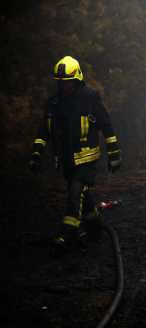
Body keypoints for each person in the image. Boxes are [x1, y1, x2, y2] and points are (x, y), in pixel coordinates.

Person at [29, 56, 122, 252]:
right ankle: (94, 224)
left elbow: (106, 126)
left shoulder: (90, 98)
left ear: (77, 79)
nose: (64, 87)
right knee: (81, 195)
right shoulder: (54, 104)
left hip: (87, 158)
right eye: (61, 82)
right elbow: (44, 131)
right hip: (66, 160)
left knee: (74, 192)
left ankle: (66, 234)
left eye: (68, 82)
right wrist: (36, 154)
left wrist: (114, 155)